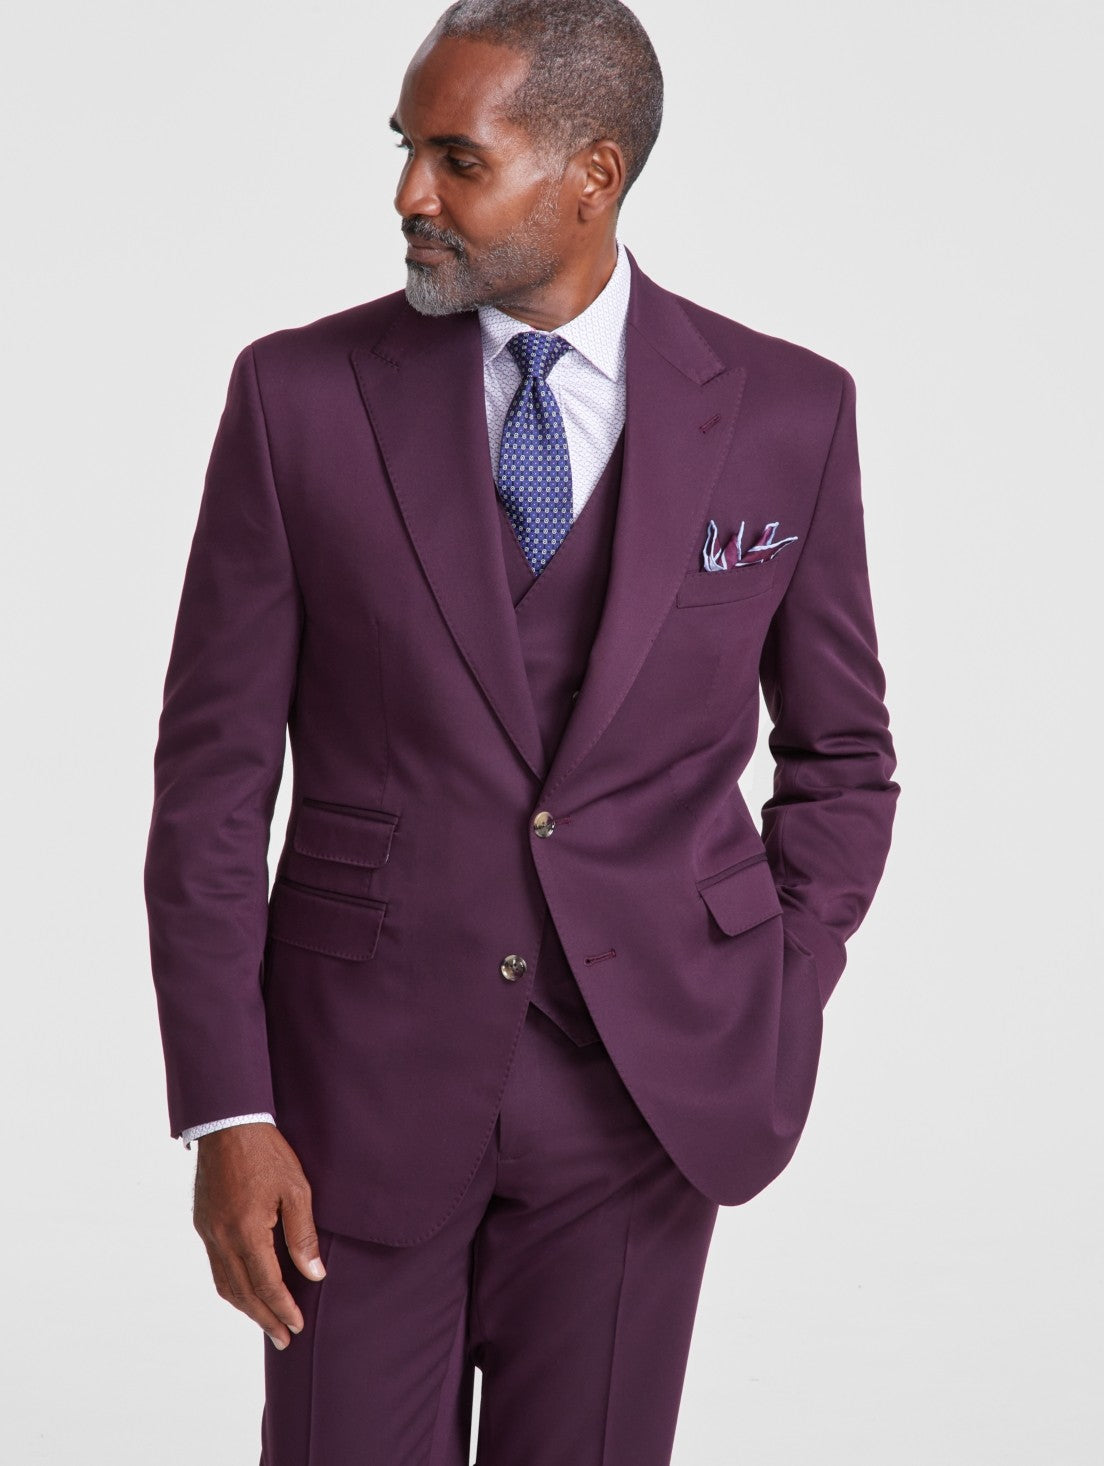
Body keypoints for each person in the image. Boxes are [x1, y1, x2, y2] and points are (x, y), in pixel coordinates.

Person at [143, 1, 900, 1460]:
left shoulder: (788, 412)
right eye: (404, 149)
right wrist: (227, 1109)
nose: (408, 194)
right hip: (353, 1094)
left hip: (645, 1093)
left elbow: (844, 756)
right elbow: (211, 787)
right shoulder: (298, 397)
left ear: (592, 173)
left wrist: (777, 979)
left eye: (457, 159)